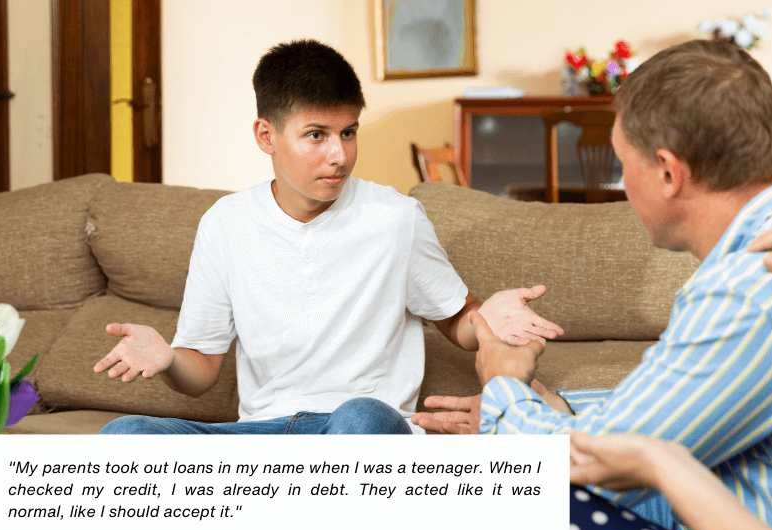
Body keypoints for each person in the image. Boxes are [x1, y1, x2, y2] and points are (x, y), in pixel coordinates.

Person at [412, 39, 772, 530]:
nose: (621, 186)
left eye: (624, 164)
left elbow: (599, 467)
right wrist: (550, 406)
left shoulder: (750, 289)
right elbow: (674, 416)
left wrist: (505, 382)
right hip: (728, 500)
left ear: (667, 172)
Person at [94, 39, 561, 436]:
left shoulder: (395, 217)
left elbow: (456, 320)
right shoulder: (225, 223)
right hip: (263, 433)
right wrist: (170, 358)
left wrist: (487, 318)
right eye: (316, 135)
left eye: (349, 133)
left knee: (361, 418)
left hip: (359, 427)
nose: (339, 155)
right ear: (266, 135)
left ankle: (284, 527)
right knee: (124, 435)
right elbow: (201, 370)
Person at [403, 221, 772, 530]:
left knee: (505, 529)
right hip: (693, 514)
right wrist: (553, 405)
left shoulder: (758, 297)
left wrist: (507, 392)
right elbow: (666, 409)